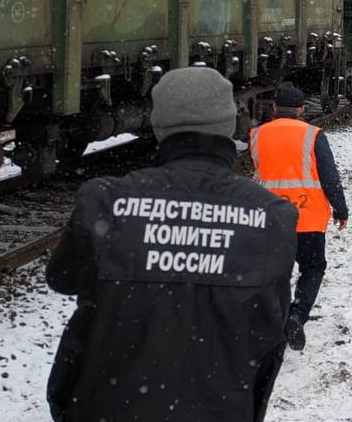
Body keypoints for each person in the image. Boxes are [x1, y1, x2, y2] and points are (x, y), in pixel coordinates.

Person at [46, 67, 299, 422]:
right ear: (229, 125)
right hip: (218, 407)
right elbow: (269, 327)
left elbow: (62, 278)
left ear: (159, 127)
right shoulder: (272, 217)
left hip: (105, 406)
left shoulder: (104, 200)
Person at [248, 84, 349, 352]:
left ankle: (272, 320)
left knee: (274, 273)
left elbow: (258, 173)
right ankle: (297, 314)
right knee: (312, 268)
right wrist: (341, 210)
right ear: (302, 109)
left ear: (273, 108)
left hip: (271, 219)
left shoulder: (257, 135)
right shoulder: (313, 135)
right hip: (308, 219)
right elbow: (330, 178)